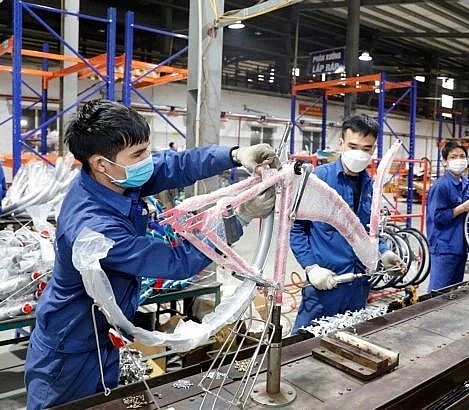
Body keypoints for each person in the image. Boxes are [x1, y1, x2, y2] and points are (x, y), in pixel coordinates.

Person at [24, 100, 279, 410]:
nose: (148, 160)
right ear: (101, 163)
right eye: (139, 154)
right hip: (69, 352)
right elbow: (177, 260)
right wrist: (238, 217)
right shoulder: (95, 229)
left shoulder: (115, 180)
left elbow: (175, 165)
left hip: (98, 335)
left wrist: (234, 156)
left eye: (146, 149)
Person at [290, 114, 405, 332]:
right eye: (353, 146)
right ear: (341, 144)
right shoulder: (318, 181)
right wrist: (311, 267)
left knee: (350, 342)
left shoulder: (371, 186)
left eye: (366, 148)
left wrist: (383, 251)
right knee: (303, 346)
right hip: (325, 284)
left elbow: (368, 230)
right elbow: (296, 228)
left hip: (359, 285)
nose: (359, 154)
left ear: (373, 150)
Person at [426, 141, 469, 291]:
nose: (459, 160)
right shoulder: (441, 186)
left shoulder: (468, 184)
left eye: (462, 156)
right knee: (438, 291)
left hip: (462, 246)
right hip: (444, 247)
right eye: (453, 157)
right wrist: (462, 208)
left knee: (454, 290)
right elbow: (438, 217)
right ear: (445, 162)